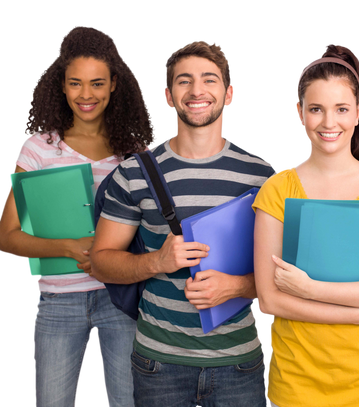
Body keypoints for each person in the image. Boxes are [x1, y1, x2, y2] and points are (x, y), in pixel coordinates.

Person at [88, 38, 274, 407]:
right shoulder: (134, 173)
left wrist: (237, 286)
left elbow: (282, 272)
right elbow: (100, 261)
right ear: (168, 96)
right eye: (184, 80)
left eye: (209, 79)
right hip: (159, 364)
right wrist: (157, 261)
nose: (197, 90)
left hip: (240, 364)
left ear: (230, 93)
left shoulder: (263, 175)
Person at [252, 41, 359, 407]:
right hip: (298, 384)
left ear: (358, 112)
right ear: (299, 113)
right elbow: (268, 299)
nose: (329, 122)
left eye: (341, 109)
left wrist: (310, 289)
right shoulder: (279, 189)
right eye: (316, 109)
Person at [0, 23, 157, 406]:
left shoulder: (137, 153)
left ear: (114, 84)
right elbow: (8, 238)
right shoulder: (38, 149)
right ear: (62, 85)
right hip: (59, 302)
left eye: (97, 83)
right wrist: (70, 248)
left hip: (121, 298)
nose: (86, 95)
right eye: (75, 83)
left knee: (129, 401)